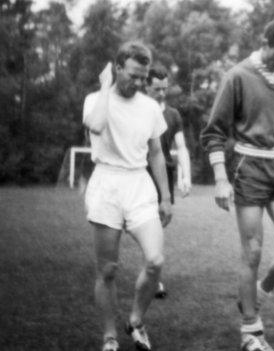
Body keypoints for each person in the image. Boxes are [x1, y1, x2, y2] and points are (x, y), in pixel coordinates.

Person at [200, 19, 274, 351]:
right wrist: (220, 179)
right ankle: (250, 330)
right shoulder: (237, 76)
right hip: (250, 168)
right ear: (264, 41)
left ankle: (256, 295)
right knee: (253, 251)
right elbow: (213, 133)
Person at [82, 41, 171, 351]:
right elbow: (95, 124)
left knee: (155, 260)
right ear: (117, 67)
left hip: (138, 183)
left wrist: (166, 196)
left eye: (143, 77)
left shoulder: (149, 107)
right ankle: (109, 337)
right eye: (133, 75)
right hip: (106, 184)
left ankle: (135, 321)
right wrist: (106, 86)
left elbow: (157, 153)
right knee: (107, 270)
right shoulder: (96, 100)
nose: (139, 83)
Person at [145, 65, 192, 299]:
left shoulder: (173, 115)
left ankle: (152, 273)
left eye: (164, 88)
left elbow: (181, 147)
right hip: (138, 175)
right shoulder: (138, 109)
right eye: (156, 89)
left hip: (164, 177)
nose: (162, 93)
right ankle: (153, 277)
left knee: (158, 224)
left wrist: (186, 175)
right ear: (146, 86)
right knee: (147, 225)